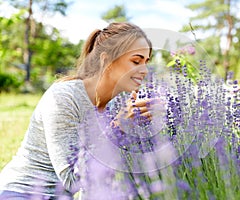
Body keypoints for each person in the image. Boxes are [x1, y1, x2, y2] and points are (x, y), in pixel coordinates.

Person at [0, 22, 153, 199]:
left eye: (146, 62)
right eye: (136, 61)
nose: (144, 70)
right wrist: (118, 127)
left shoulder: (120, 103)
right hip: (22, 192)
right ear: (106, 60)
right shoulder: (63, 98)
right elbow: (73, 181)